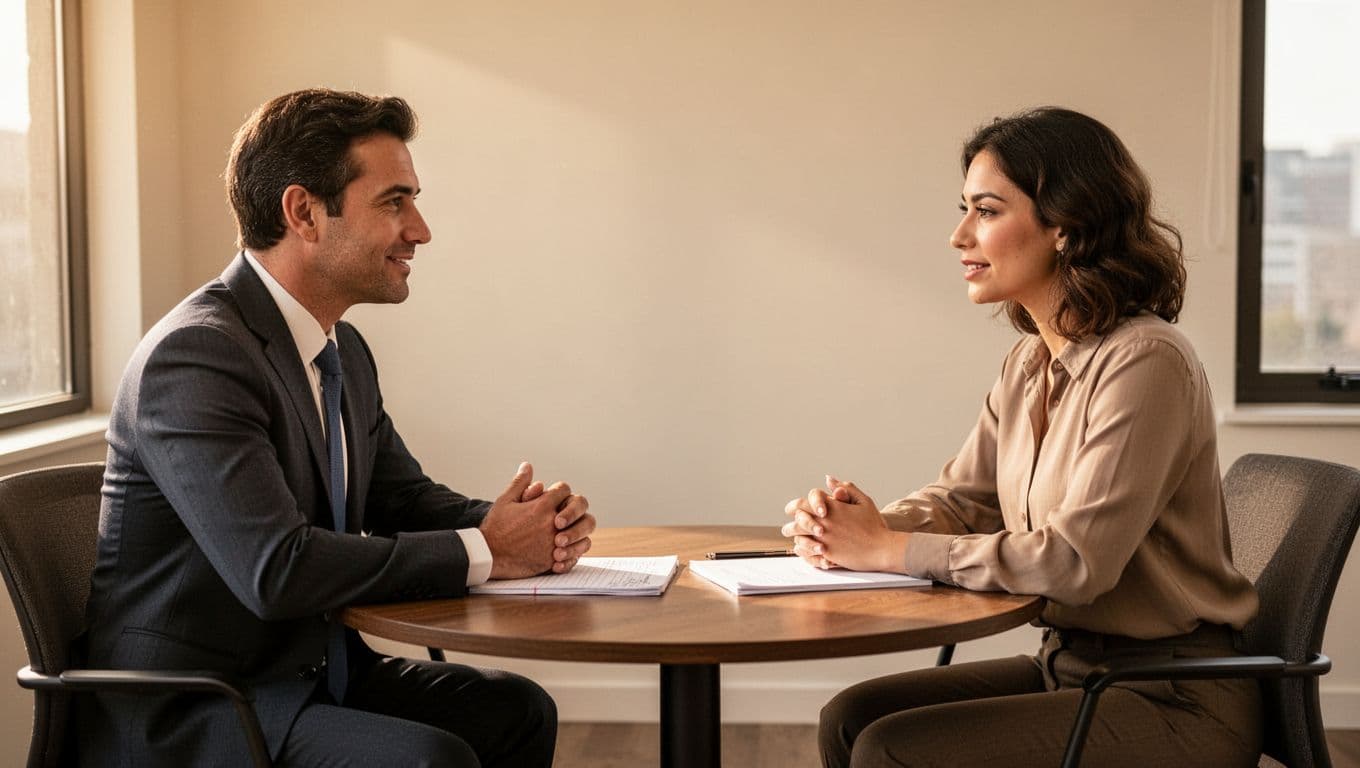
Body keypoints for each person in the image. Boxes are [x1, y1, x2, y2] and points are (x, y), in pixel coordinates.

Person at [80, 89, 596, 767]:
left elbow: (401, 500)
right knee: (428, 760)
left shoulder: (339, 350)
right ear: (303, 213)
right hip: (201, 708)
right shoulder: (196, 356)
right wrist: (490, 550)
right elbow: (279, 569)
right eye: (394, 202)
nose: (420, 229)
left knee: (516, 710)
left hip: (312, 677)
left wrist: (526, 530)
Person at [782, 107, 1262, 767]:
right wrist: (855, 529)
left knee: (893, 749)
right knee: (851, 719)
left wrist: (889, 550)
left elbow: (1074, 563)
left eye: (985, 210)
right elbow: (963, 499)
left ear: (1065, 225)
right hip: (1069, 668)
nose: (958, 236)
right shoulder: (1030, 362)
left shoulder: (1146, 359)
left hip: (1174, 696)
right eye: (965, 209)